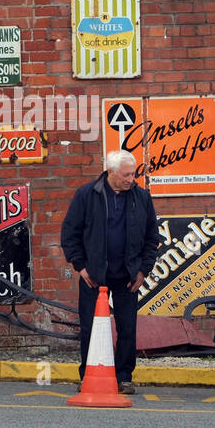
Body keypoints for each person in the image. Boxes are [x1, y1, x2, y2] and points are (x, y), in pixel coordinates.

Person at [60, 149, 160, 394]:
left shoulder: (142, 198)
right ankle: (89, 373)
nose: (130, 179)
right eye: (126, 175)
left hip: (128, 276)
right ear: (110, 172)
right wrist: (80, 267)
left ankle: (124, 376)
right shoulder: (86, 195)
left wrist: (143, 271)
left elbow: (152, 238)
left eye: (133, 174)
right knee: (89, 328)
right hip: (93, 276)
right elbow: (70, 233)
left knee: (127, 328)